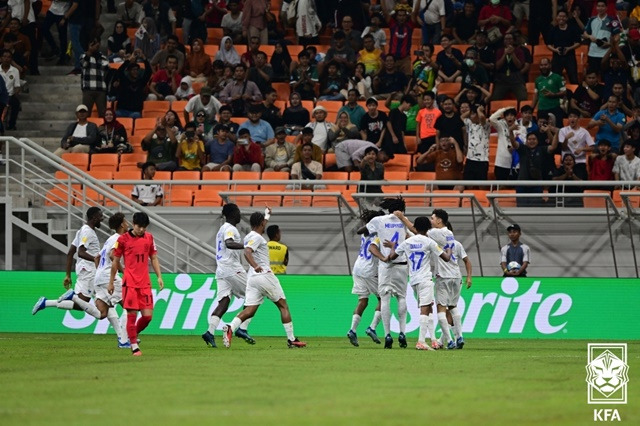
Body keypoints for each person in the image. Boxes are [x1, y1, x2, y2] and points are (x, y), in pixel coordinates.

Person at [222, 209, 307, 348]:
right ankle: (291, 339)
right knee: (283, 306)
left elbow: (251, 243)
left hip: (252, 279)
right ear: (261, 223)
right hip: (264, 275)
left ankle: (231, 327)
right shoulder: (258, 238)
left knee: (250, 310)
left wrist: (267, 215)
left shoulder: (249, 236)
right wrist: (255, 265)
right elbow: (247, 252)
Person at [386, 213, 452, 350]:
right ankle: (421, 341)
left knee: (427, 308)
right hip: (425, 279)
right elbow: (446, 258)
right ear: (428, 228)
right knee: (425, 308)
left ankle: (433, 339)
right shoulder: (429, 241)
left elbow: (392, 256)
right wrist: (449, 248)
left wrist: (393, 246)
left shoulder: (407, 242)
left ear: (415, 227)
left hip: (414, 280)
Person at [32, 208, 105, 321]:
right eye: (100, 217)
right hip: (89, 271)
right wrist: (95, 259)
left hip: (86, 270)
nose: (102, 219)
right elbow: (80, 252)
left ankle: (46, 303)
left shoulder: (81, 230)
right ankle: (70, 297)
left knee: (81, 304)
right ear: (94, 218)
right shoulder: (87, 232)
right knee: (81, 302)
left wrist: (68, 275)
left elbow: (70, 252)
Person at [108, 212, 164, 356]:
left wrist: (159, 276)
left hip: (145, 283)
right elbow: (115, 261)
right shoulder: (123, 240)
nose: (142, 230)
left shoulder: (149, 238)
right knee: (131, 315)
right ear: (134, 224)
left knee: (147, 317)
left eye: (144, 227)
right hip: (130, 283)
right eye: (139, 227)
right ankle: (134, 346)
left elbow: (154, 257)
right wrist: (111, 282)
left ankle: (132, 332)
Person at [202, 204, 255, 348]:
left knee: (224, 303)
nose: (240, 215)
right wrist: (247, 246)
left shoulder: (222, 229)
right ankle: (241, 328)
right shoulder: (230, 229)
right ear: (232, 213)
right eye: (238, 212)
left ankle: (209, 332)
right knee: (255, 294)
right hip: (231, 268)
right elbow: (229, 243)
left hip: (221, 270)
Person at [360, 197, 408, 349]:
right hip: (401, 264)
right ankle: (402, 333)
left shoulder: (379, 220)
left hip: (386, 265)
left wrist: (369, 228)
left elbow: (362, 232)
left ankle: (387, 335)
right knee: (401, 298)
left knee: (385, 299)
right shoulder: (404, 221)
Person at [346, 209, 385, 347]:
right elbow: (374, 249)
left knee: (363, 300)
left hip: (357, 268)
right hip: (370, 269)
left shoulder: (365, 232)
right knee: (383, 298)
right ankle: (372, 327)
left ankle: (352, 330)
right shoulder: (379, 234)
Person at [93, 212, 131, 348]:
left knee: (102, 313)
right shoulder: (119, 239)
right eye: (126, 222)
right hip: (109, 276)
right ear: (122, 224)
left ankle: (75, 299)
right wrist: (123, 271)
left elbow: (97, 257)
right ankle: (124, 340)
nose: (128, 224)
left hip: (99, 277)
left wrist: (99, 274)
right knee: (130, 306)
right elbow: (112, 255)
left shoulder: (110, 239)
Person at [512, 132, 560, 206]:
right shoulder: (522, 148)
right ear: (526, 141)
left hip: (536, 185)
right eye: (529, 139)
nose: (532, 141)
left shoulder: (541, 149)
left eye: (534, 139)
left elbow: (553, 147)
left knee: (536, 209)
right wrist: (510, 131)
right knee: (521, 209)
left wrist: (556, 133)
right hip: (522, 184)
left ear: (537, 141)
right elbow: (514, 143)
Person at [489, 107, 525, 180]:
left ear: (515, 117)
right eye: (507, 115)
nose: (510, 117)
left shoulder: (521, 128)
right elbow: (492, 118)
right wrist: (505, 109)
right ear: (504, 117)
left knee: (514, 189)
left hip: (516, 164)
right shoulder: (500, 126)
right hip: (501, 163)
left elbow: (523, 143)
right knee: (500, 187)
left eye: (512, 115)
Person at [583, 0, 620, 72]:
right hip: (592, 53)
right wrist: (590, 36)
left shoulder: (612, 20)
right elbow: (585, 33)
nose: (600, 8)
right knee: (593, 74)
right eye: (599, 6)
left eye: (602, 6)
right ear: (596, 7)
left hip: (605, 54)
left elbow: (617, 35)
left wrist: (610, 44)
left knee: (604, 76)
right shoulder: (592, 19)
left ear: (606, 8)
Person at [547, 9, 581, 84]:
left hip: (570, 56)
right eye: (560, 16)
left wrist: (569, 48)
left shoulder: (572, 28)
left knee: (573, 79)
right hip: (557, 57)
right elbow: (548, 44)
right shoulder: (553, 29)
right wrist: (555, 50)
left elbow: (578, 42)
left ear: (567, 18)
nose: (561, 18)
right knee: (555, 79)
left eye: (564, 16)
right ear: (556, 17)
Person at [559, 109, 595, 180]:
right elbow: (563, 148)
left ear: (579, 119)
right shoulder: (562, 130)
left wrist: (582, 149)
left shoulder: (584, 132)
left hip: (580, 162)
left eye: (575, 117)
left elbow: (592, 147)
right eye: (570, 117)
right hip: (566, 162)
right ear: (568, 118)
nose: (572, 119)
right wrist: (566, 139)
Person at [462, 104, 491, 180]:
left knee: (481, 184)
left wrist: (478, 110)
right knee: (468, 183)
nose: (471, 116)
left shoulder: (486, 124)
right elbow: (462, 116)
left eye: (473, 114)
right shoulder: (470, 124)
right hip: (470, 158)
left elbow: (482, 117)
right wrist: (472, 109)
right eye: (470, 114)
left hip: (482, 160)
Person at [532, 58, 566, 123]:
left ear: (550, 65)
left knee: (557, 129)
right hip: (541, 109)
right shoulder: (537, 80)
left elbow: (564, 92)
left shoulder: (557, 77)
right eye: (541, 65)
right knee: (542, 130)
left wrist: (553, 95)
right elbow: (536, 96)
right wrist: (531, 109)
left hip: (554, 108)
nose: (543, 67)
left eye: (545, 65)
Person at [0, 49, 20, 130]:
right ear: (1, 58)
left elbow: (17, 86)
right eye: (4, 57)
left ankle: (11, 125)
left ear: (11, 59)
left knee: (16, 104)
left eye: (8, 57)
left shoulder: (15, 71)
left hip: (10, 95)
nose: (6, 59)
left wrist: (14, 95)